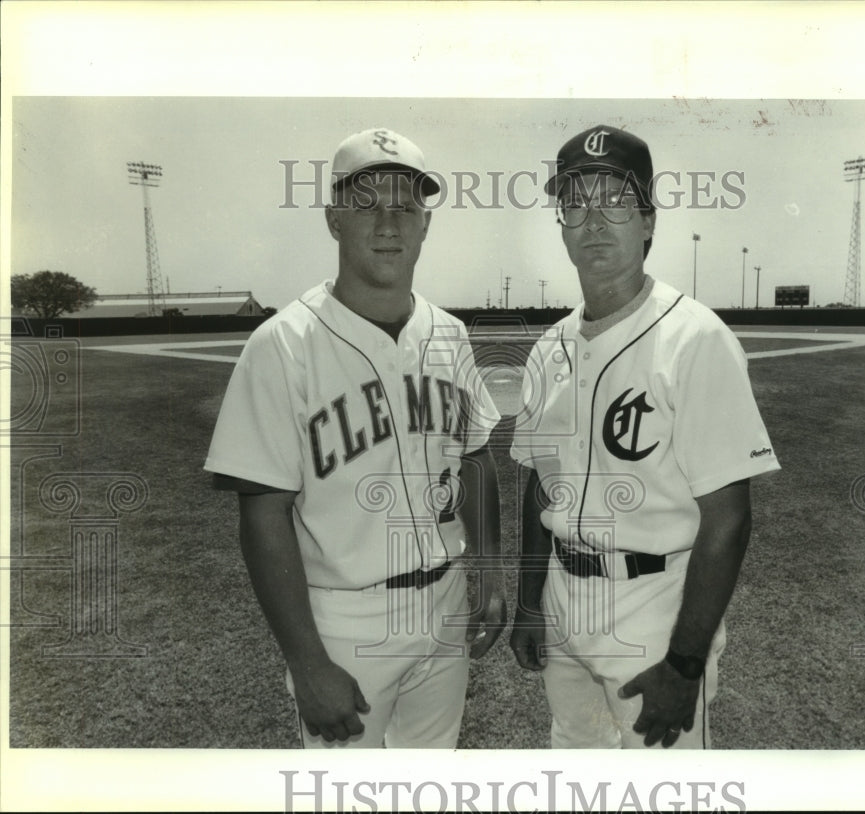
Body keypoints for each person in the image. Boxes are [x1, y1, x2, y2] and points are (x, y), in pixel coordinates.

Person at [205, 127, 506, 748]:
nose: (388, 223)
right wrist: (306, 662)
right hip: (344, 617)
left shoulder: (449, 334)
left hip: (447, 603)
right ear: (333, 219)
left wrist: (492, 575)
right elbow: (263, 515)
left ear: (426, 224)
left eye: (406, 206)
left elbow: (475, 460)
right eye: (367, 203)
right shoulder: (282, 346)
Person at [508, 124, 780, 749]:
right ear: (561, 224)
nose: (595, 220)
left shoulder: (696, 339)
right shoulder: (548, 349)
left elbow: (728, 518)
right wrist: (529, 602)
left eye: (616, 200)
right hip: (563, 598)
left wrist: (685, 664)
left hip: (656, 606)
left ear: (649, 221)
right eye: (575, 202)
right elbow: (537, 487)